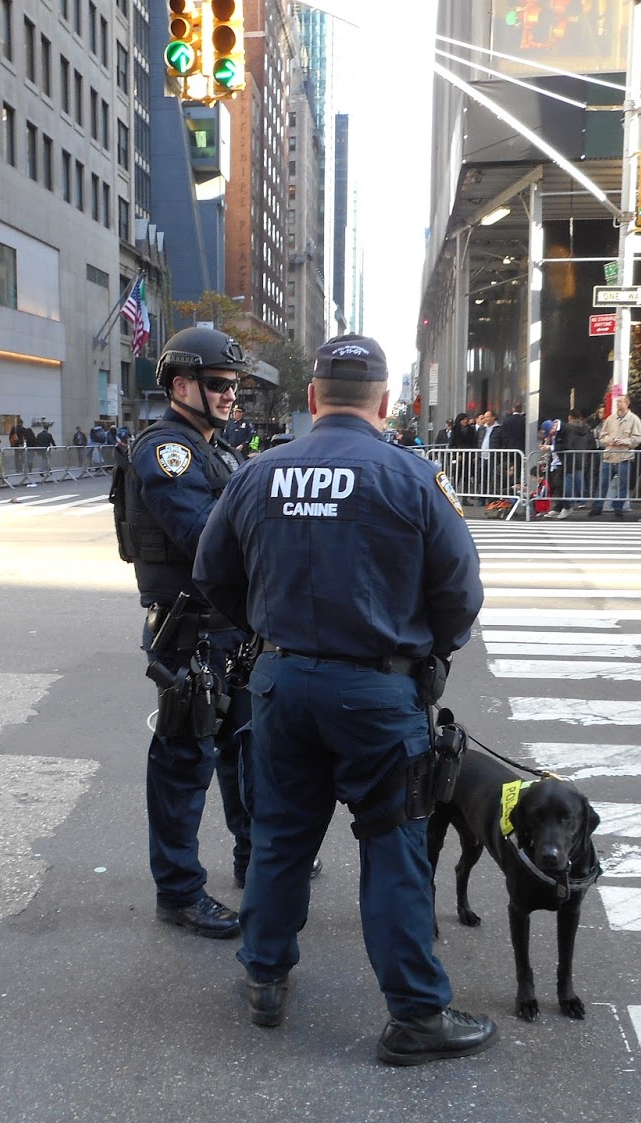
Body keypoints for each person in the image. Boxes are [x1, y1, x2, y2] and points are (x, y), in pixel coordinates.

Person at [194, 333, 495, 1065]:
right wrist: (426, 650)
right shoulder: (411, 476)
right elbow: (460, 596)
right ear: (385, 403)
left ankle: (265, 976)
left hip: (282, 682)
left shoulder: (257, 472)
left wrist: (267, 628)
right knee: (392, 846)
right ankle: (417, 1013)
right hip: (377, 692)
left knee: (281, 834)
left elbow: (212, 574)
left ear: (311, 398)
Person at [113, 326, 256, 938]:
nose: (230, 396)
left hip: (231, 631)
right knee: (183, 763)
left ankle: (256, 858)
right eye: (219, 384)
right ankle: (178, 891)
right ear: (179, 384)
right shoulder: (167, 450)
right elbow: (205, 541)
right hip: (191, 633)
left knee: (245, 752)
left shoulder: (214, 447)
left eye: (234, 385)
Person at [592, 394, 641, 518]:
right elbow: (602, 436)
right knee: (602, 483)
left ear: (627, 403)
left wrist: (624, 441)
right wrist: (609, 440)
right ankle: (597, 506)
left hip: (624, 456)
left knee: (623, 484)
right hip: (609, 455)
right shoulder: (610, 419)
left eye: (620, 401)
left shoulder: (634, 419)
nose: (618, 404)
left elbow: (638, 438)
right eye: (617, 401)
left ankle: (618, 507)